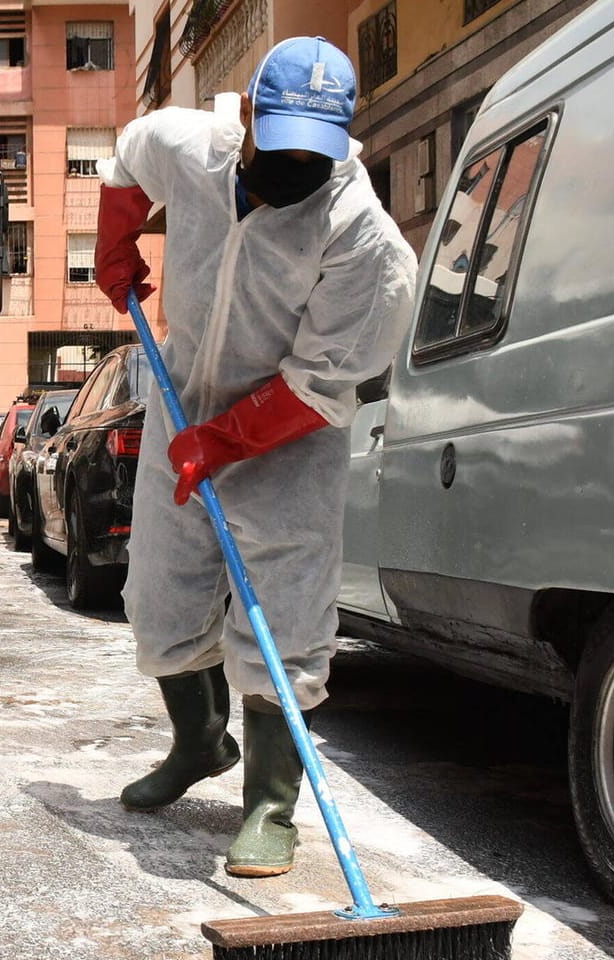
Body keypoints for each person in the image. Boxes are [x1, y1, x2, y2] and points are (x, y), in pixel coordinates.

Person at [94, 38, 417, 876]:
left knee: (282, 619)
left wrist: (228, 440)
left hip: (290, 440)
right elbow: (125, 159)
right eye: (278, 146)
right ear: (244, 120)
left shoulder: (366, 241)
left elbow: (322, 384)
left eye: (313, 152)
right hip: (181, 407)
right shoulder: (189, 147)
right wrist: (115, 244)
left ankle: (273, 806)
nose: (293, 167)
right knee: (160, 598)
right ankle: (198, 742)